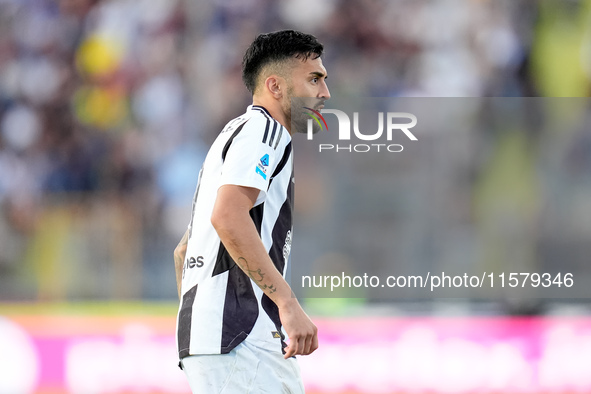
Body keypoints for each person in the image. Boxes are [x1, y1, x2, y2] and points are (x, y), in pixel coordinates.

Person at [173, 29, 330, 393]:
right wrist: (286, 303)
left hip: (214, 339)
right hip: (243, 336)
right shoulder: (265, 131)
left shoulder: (232, 136)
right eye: (314, 79)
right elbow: (227, 216)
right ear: (275, 87)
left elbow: (184, 251)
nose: (325, 93)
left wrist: (202, 324)